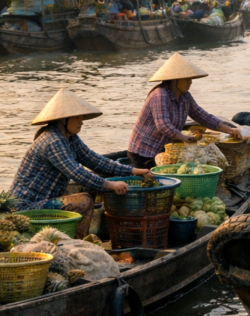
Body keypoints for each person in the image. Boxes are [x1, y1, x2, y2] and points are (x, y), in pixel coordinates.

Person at [10, 88, 152, 238]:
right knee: (83, 201)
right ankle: (78, 243)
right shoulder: (52, 140)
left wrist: (134, 171)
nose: (81, 122)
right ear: (63, 119)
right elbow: (77, 173)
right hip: (26, 207)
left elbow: (95, 160)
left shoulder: (70, 138)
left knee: (90, 186)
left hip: (45, 201)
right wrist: (110, 185)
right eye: (77, 118)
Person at [127, 53, 247, 168]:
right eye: (186, 79)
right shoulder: (160, 95)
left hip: (164, 149)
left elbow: (203, 117)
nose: (190, 82)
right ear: (175, 80)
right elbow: (163, 125)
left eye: (191, 79)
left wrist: (230, 130)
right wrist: (184, 137)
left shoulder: (185, 96)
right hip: (144, 152)